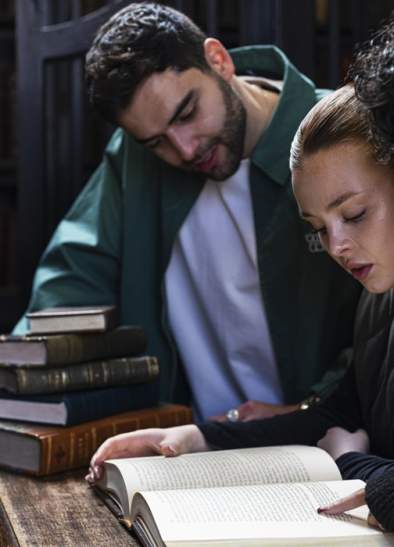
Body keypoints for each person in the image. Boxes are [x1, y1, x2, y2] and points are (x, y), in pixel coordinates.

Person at [13, 3, 360, 421]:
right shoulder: (136, 160)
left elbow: (382, 320)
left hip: (326, 439)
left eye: (188, 113)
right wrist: (17, 371)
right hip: (186, 448)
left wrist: (312, 407)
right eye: (156, 141)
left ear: (219, 60)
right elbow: (71, 283)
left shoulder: (340, 137)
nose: (185, 149)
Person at [87, 84, 394, 532]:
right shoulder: (376, 303)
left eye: (353, 214)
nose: (337, 247)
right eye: (319, 229)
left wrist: (347, 460)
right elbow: (335, 415)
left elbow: (352, 451)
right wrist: (199, 439)